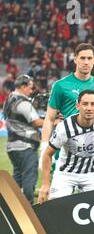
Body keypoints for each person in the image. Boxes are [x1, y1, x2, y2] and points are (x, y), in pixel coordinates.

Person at [38, 90, 94, 203]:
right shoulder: (65, 128)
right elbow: (48, 154)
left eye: (93, 104)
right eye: (85, 104)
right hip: (65, 174)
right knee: (55, 206)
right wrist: (45, 184)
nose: (89, 108)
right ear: (77, 106)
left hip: (91, 173)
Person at [40, 43, 94, 170]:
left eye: (89, 58)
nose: (86, 62)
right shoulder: (60, 85)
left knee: (93, 189)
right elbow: (49, 118)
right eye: (82, 58)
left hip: (92, 148)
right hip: (66, 145)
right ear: (75, 59)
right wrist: (44, 145)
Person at [4, 75, 43, 204]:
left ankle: (11, 206)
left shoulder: (9, 99)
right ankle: (29, 207)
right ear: (23, 86)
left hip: (12, 146)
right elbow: (36, 122)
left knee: (18, 177)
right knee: (29, 177)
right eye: (30, 88)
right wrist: (52, 121)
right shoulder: (23, 102)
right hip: (25, 146)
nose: (31, 91)